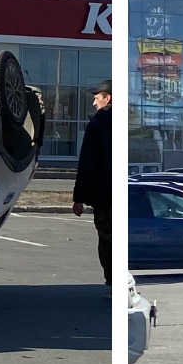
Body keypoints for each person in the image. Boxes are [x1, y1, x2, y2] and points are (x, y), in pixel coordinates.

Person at [73, 80, 112, 293]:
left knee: (107, 239)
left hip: (104, 197)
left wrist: (79, 197)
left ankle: (113, 283)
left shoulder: (97, 125)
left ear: (108, 98)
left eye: (97, 98)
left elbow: (87, 163)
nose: (94, 103)